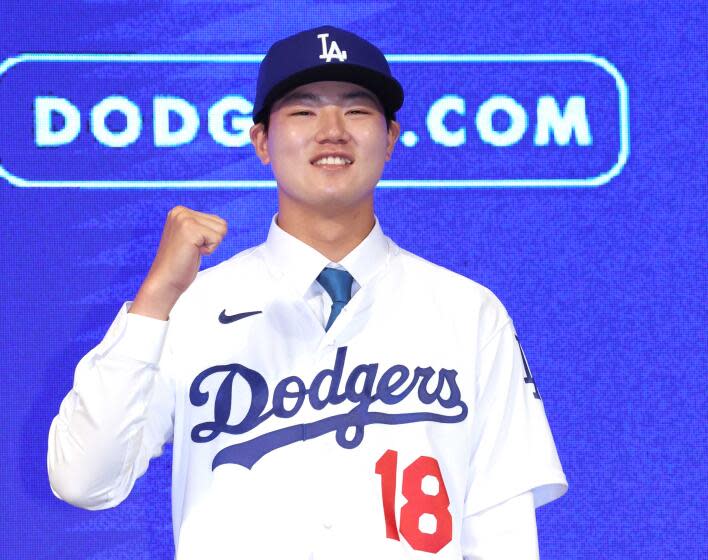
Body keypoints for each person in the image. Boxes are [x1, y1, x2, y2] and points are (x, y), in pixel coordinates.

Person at [48, 25, 568, 559]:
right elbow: (84, 479)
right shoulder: (191, 308)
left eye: (357, 110)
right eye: (303, 111)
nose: (332, 130)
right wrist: (155, 301)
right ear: (261, 142)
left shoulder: (468, 311)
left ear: (390, 138)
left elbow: (500, 528)